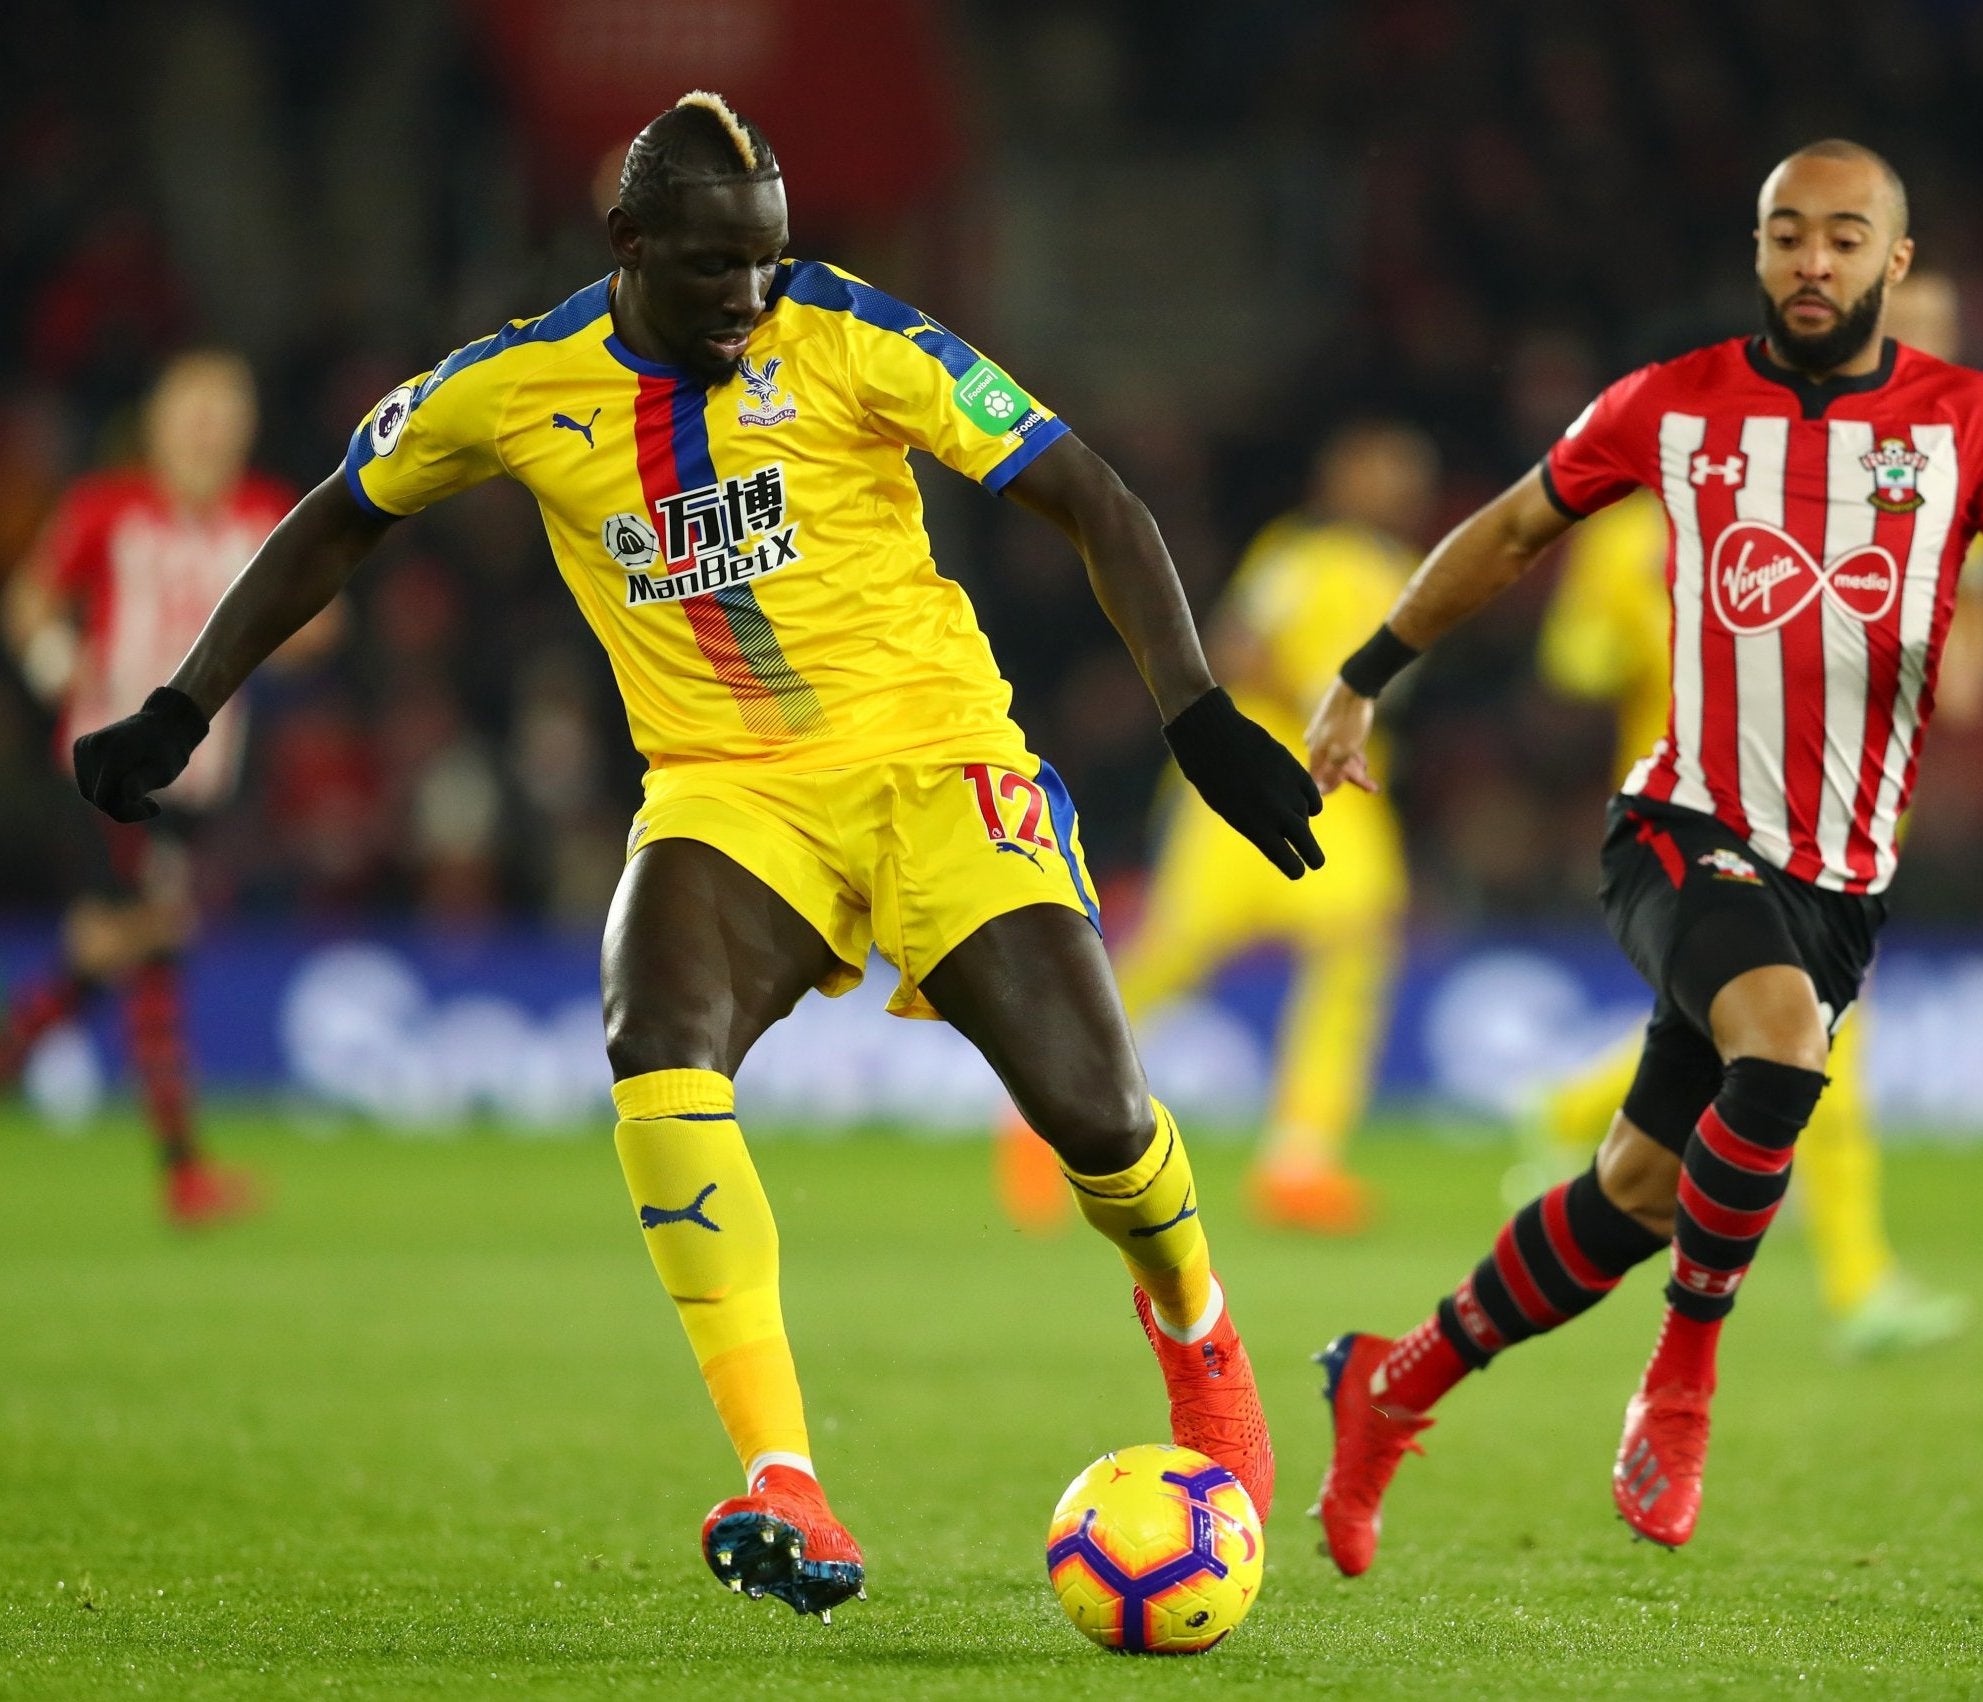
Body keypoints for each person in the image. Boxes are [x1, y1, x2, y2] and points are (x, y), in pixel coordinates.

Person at [72, 92, 1321, 1619]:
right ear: (629, 245)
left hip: (936, 761)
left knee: (1099, 1119)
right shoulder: (517, 385)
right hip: (730, 792)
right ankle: (785, 1474)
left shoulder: (858, 334)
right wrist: (185, 703)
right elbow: (338, 518)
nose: (752, 296)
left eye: (772, 262)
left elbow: (1086, 492)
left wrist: (1192, 712)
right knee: (651, 1036)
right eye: (719, 266)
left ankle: (1196, 1329)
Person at [1303, 140, 1983, 1567]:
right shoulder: (1673, 406)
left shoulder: (1969, 424)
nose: (1812, 263)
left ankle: (1391, 1381)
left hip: (1841, 881)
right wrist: (1361, 674)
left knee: (1639, 1195)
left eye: (1845, 239)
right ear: (1757, 249)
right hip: (1680, 826)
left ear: (1893, 265)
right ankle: (1682, 1381)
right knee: (1779, 1054)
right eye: (1787, 236)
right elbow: (1515, 527)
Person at [1527, 272, 1983, 1356]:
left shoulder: (1829, 501)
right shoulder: (1629, 536)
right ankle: (1858, 1282)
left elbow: (1938, 675)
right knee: (1815, 1043)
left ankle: (1563, 1111)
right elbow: (1574, 670)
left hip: (1826, 816)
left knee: (1740, 1037)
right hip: (1694, 817)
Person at [997, 421, 1434, 1235]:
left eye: (1408, 472)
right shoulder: (1300, 555)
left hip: (1345, 786)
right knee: (1178, 949)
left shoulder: (1406, 573)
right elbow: (1237, 646)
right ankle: (1044, 1106)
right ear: (1339, 476)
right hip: (1257, 771)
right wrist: (1314, 704)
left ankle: (1300, 1161)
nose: (1397, 484)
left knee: (1357, 946)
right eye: (1381, 466)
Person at [1, 351, 309, 1226]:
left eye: (225, 411)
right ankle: (183, 1173)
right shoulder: (107, 507)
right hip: (109, 763)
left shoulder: (263, 515)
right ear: (160, 420)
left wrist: (292, 630)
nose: (209, 426)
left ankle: (19, 1053)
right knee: (158, 933)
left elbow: (322, 620)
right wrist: (56, 658)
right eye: (194, 409)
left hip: (201, 775)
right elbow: (31, 601)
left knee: (114, 945)